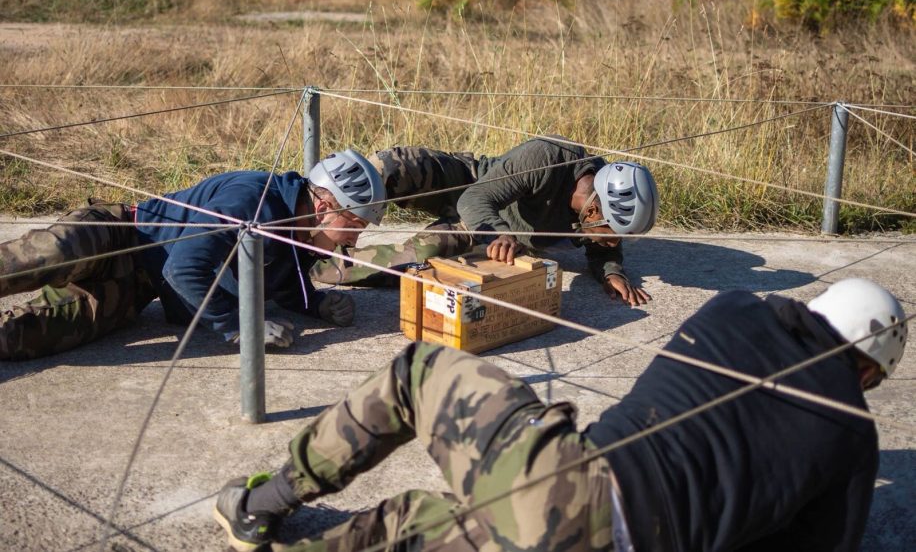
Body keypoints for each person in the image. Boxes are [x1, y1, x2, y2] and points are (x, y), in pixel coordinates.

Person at [213, 277, 908, 552]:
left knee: (419, 370)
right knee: (417, 525)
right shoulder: (853, 433)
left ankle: (263, 506)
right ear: (871, 370)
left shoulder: (734, 307)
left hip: (568, 479)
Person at [0, 149, 385, 361]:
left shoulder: (300, 233)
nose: (353, 241)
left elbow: (284, 284)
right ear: (324, 209)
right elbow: (183, 267)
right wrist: (239, 327)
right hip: (119, 233)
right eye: (355, 226)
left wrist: (315, 305)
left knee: (28, 336)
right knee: (38, 259)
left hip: (137, 289)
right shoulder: (252, 201)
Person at [311, 136, 659, 307]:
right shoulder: (551, 157)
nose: (613, 241)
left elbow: (601, 248)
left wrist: (612, 270)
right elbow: (475, 198)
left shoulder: (597, 213)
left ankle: (310, 267)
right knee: (389, 167)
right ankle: (307, 226)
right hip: (473, 185)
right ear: (593, 211)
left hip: (480, 235)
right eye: (610, 234)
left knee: (414, 260)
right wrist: (502, 233)